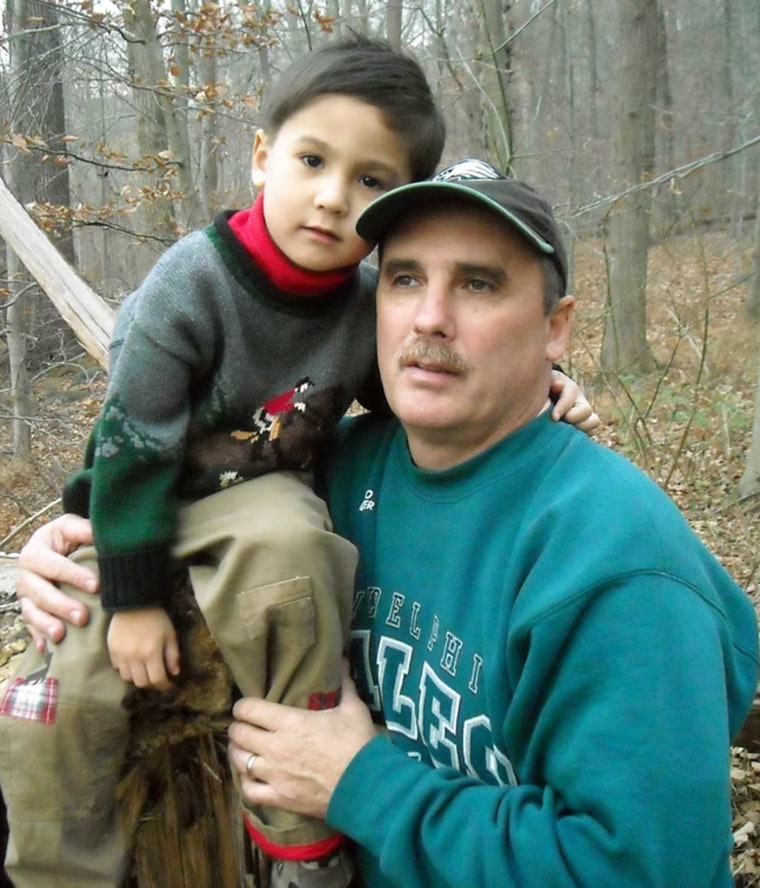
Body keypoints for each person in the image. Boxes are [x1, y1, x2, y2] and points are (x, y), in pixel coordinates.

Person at [8, 159, 623, 887]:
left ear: (556, 329)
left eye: (480, 284)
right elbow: (205, 488)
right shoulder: (351, 466)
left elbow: (638, 869)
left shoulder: (617, 569)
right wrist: (76, 539)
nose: (430, 315)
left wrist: (360, 782)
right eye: (403, 280)